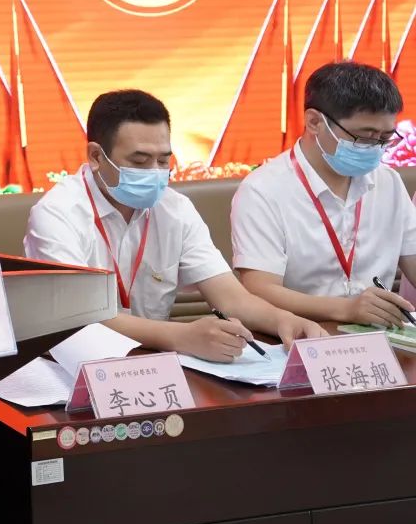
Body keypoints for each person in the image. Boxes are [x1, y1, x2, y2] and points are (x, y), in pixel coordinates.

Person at [24, 89, 324, 362]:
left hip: (157, 363)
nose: (155, 173)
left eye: (163, 161)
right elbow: (80, 317)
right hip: (75, 365)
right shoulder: (57, 214)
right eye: (140, 162)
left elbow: (231, 298)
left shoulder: (175, 209)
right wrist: (181, 336)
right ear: (96, 156)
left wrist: (284, 320)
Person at [232, 62, 416, 327]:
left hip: (376, 336)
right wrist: (347, 309)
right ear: (314, 122)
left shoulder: (388, 182)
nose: (375, 148)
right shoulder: (262, 190)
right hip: (298, 335)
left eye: (385, 138)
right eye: (364, 137)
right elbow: (259, 289)